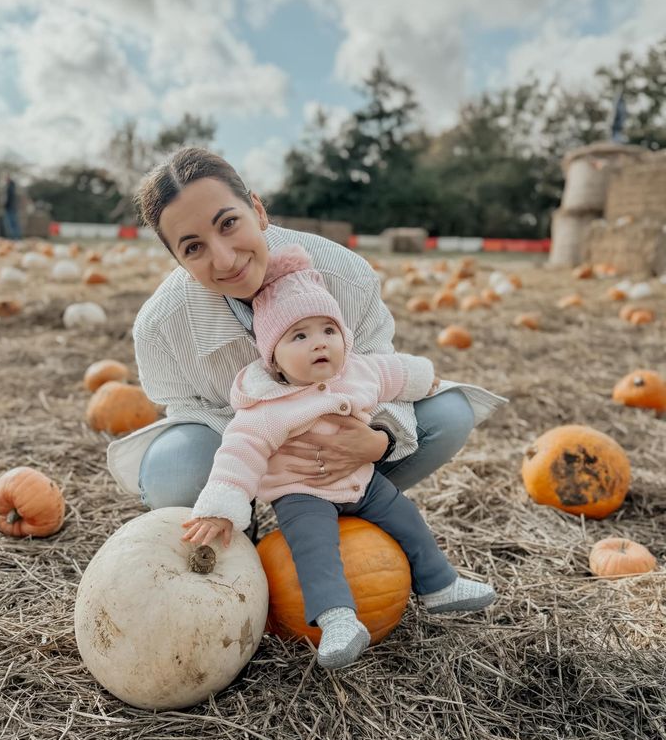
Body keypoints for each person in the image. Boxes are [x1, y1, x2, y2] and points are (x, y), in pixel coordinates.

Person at [106, 146, 507, 579]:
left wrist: (378, 440)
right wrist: (271, 441)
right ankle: (241, 537)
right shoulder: (160, 327)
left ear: (257, 210)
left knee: (449, 413)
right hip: (242, 448)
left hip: (344, 434)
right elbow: (188, 412)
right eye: (193, 247)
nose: (223, 258)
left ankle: (344, 508)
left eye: (229, 223)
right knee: (175, 468)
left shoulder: (344, 274)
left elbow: (378, 365)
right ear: (177, 260)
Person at [181, 245, 497, 668]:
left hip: (361, 481)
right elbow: (239, 455)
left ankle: (440, 585)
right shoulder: (267, 404)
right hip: (302, 493)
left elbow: (395, 372)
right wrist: (221, 507)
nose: (319, 344)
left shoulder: (356, 370)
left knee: (406, 518)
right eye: (300, 336)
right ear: (273, 355)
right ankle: (338, 620)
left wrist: (426, 377)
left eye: (328, 330)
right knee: (315, 551)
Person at [1, 173, 21, 240]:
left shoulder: (10, 187)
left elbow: (9, 198)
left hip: (10, 208)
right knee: (12, 223)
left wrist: (5, 205)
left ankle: (15, 238)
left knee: (12, 223)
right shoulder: (11, 186)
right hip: (11, 207)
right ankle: (15, 237)